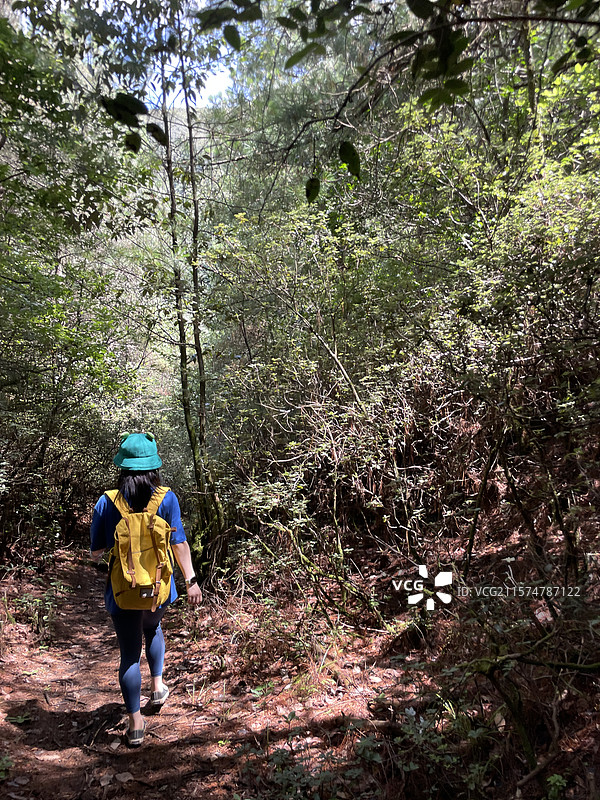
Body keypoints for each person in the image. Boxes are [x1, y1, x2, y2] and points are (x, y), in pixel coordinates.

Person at [90, 432, 202, 747]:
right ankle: (157, 686)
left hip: (123, 592)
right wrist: (191, 580)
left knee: (128, 654)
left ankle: (136, 723)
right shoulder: (167, 498)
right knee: (152, 629)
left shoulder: (106, 501)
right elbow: (179, 543)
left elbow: (96, 551)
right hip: (159, 588)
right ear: (154, 467)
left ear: (123, 468)